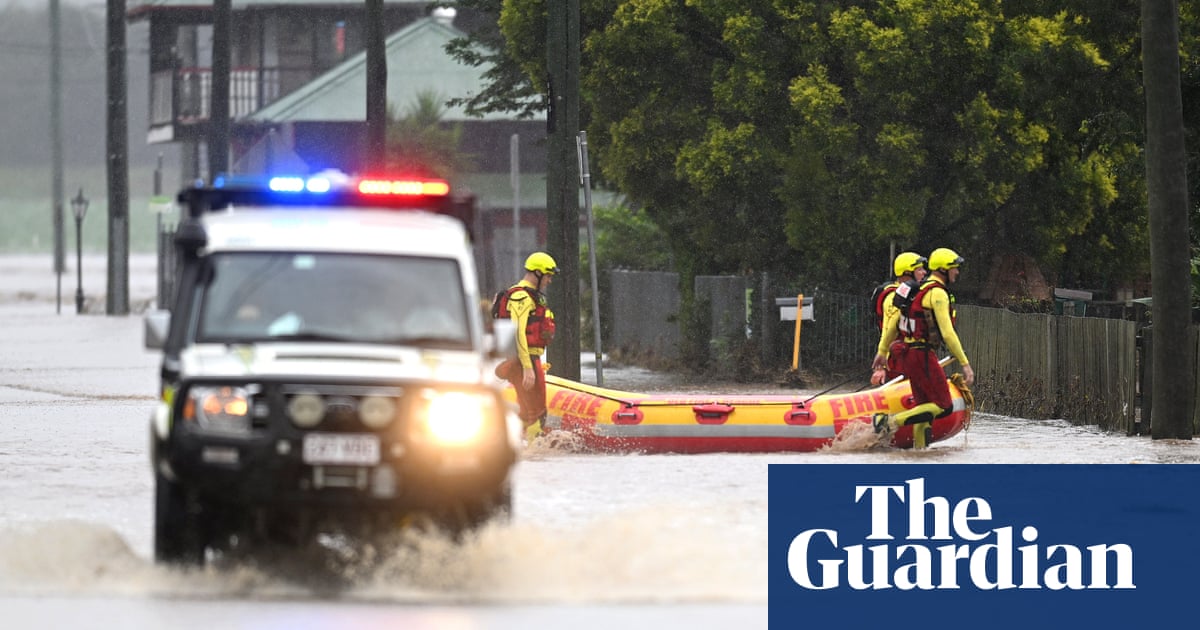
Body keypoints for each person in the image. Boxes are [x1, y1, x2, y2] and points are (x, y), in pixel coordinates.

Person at [871, 247, 975, 448]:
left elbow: (893, 323)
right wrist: (965, 363)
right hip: (922, 355)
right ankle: (888, 422)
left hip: (908, 355)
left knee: (923, 410)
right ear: (944, 269)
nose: (957, 272)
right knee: (944, 406)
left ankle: (920, 453)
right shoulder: (937, 293)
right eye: (954, 268)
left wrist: (882, 351)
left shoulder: (913, 289)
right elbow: (947, 333)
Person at [494, 252, 558, 439]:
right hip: (525, 360)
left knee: (525, 411)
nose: (549, 280)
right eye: (548, 276)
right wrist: (528, 368)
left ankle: (517, 444)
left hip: (524, 359)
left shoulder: (529, 296)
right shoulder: (521, 297)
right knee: (537, 413)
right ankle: (535, 453)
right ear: (537, 273)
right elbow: (518, 332)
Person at [870, 252, 928, 385]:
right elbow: (887, 329)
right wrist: (881, 366)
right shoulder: (893, 297)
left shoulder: (911, 294)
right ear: (907, 272)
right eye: (919, 269)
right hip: (896, 361)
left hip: (910, 357)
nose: (924, 273)